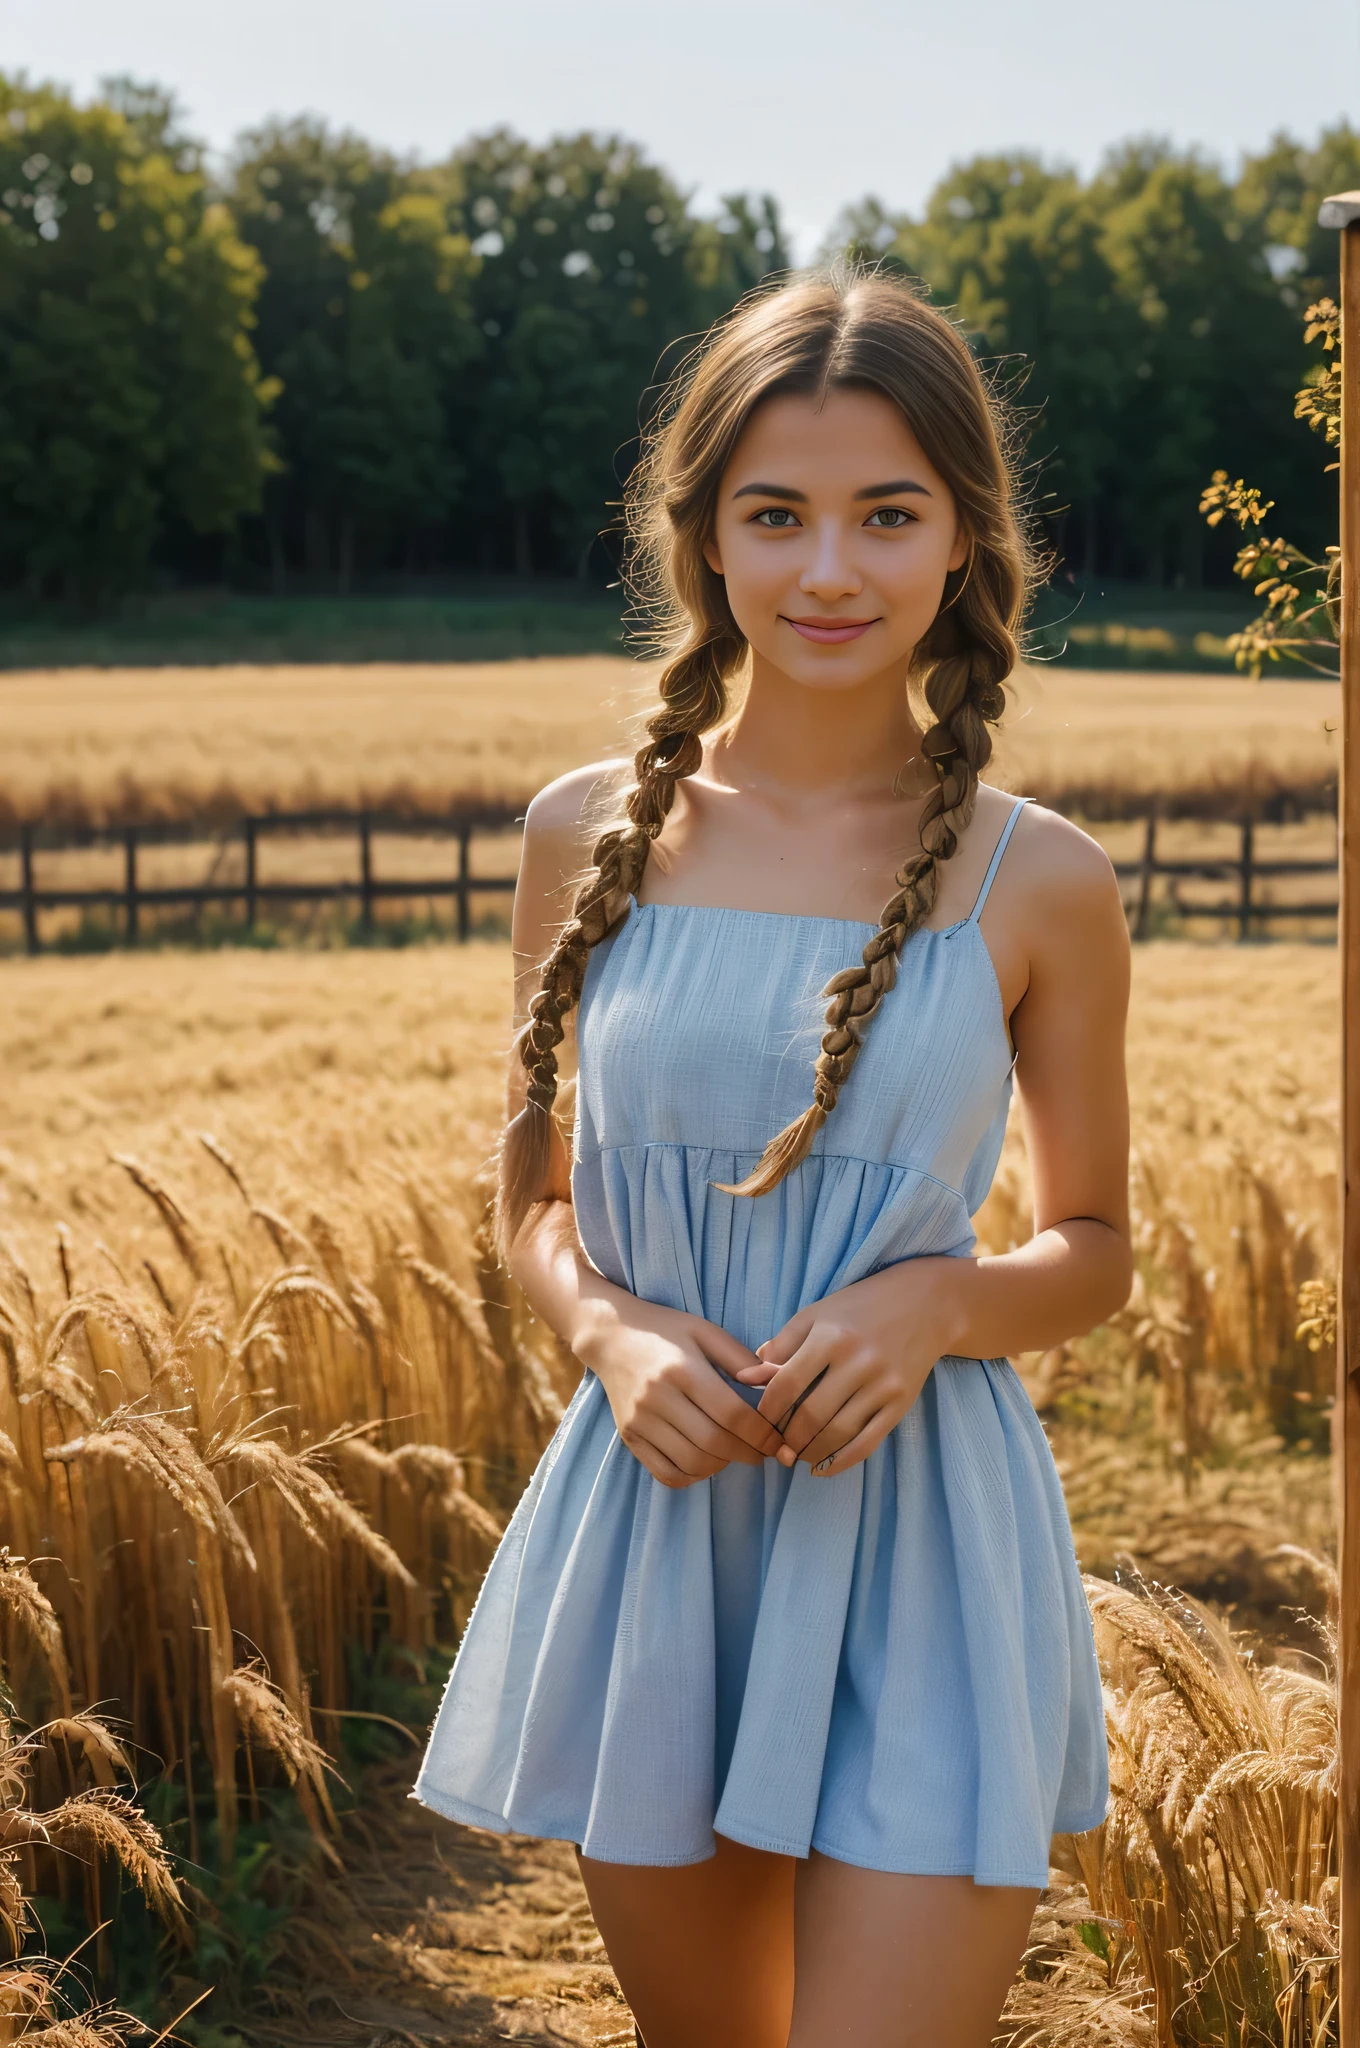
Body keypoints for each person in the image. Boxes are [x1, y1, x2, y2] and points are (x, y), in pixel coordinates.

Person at [414, 269, 1132, 2048]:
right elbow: (531, 1201)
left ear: (964, 538)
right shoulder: (585, 834)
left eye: (889, 514)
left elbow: (1100, 1245)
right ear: (702, 540)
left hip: (925, 1538)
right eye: (777, 514)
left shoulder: (1040, 880)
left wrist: (943, 1302)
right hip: (663, 1532)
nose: (831, 569)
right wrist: (605, 1334)